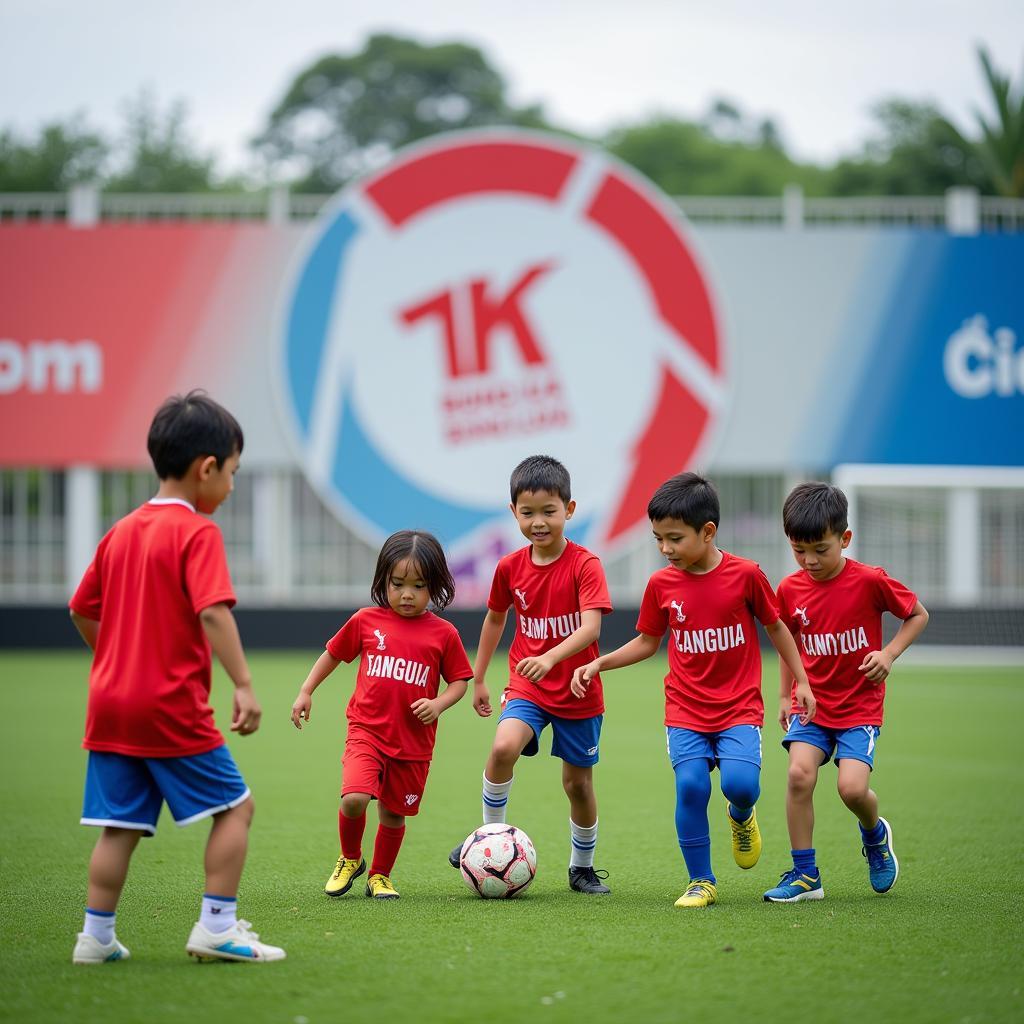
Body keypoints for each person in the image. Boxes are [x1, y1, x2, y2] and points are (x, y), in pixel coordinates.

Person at [68, 391, 284, 965]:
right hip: (167, 705)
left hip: (110, 703)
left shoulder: (121, 530)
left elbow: (81, 609)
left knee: (118, 827)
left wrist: (115, 661)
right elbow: (214, 611)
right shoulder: (197, 534)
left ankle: (95, 938)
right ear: (206, 468)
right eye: (233, 473)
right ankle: (217, 927)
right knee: (236, 809)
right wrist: (242, 683)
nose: (232, 486)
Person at [572, 472, 815, 908]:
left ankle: (741, 816)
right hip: (684, 709)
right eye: (658, 539)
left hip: (739, 708)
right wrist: (600, 663)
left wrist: (800, 681)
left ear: (708, 532)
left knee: (741, 786)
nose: (665, 549)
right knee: (690, 787)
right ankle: (701, 880)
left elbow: (777, 627)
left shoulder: (746, 576)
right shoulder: (661, 585)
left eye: (674, 539)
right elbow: (648, 641)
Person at [447, 455, 614, 894]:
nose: (538, 522)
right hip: (528, 685)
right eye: (528, 512)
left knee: (577, 784)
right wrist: (479, 676)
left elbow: (591, 628)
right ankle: (488, 840)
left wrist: (552, 658)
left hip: (578, 689)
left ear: (570, 510)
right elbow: (495, 620)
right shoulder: (509, 567)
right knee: (503, 747)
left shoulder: (585, 564)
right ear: (513, 513)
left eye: (548, 511)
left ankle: (582, 867)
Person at [763, 483, 929, 903]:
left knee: (852, 790)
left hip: (859, 707)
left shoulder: (870, 581)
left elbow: (917, 615)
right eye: (799, 550)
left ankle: (874, 835)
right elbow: (787, 642)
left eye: (821, 548)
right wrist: (786, 694)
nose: (809, 560)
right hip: (812, 706)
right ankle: (805, 874)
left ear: (845, 539)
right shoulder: (790, 589)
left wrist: (889, 654)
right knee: (800, 775)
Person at [292, 530, 473, 900]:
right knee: (354, 799)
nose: (407, 594)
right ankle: (349, 858)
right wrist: (306, 690)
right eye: (398, 583)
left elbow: (459, 682)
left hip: (413, 744)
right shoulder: (365, 621)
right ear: (383, 580)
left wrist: (438, 704)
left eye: (419, 585)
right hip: (367, 732)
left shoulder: (445, 634)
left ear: (435, 586)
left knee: (393, 814)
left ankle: (380, 875)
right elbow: (332, 654)